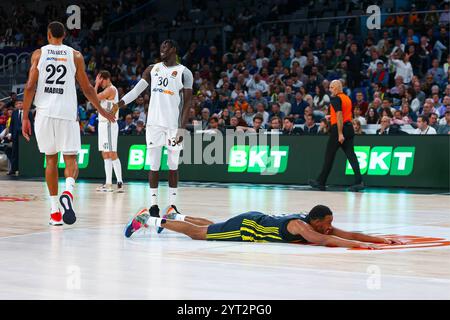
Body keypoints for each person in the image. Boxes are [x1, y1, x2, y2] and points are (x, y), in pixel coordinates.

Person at [21, 21, 115, 226]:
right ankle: (68, 193)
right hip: (66, 113)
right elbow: (88, 89)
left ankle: (55, 212)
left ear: (48, 35)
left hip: (44, 114)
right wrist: (102, 111)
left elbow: (29, 87)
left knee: (51, 160)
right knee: (71, 161)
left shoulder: (38, 54)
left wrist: (25, 116)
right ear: (64, 36)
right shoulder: (75, 55)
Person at [113, 39, 193, 220]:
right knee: (154, 166)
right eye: (161, 46)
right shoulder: (152, 69)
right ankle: (154, 205)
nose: (162, 49)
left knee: (173, 167)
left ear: (173, 49)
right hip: (154, 125)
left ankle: (172, 206)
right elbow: (135, 92)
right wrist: (118, 105)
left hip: (173, 126)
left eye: (165, 47)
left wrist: (181, 129)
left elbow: (188, 103)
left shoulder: (184, 72)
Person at [124, 204, 404, 249]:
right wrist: (360, 247)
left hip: (253, 219)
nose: (330, 228)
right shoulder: (300, 226)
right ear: (316, 221)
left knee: (215, 225)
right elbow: (322, 241)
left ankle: (177, 214)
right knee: (201, 235)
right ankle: (148, 219)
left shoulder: (317, 223)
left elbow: (347, 233)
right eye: (327, 224)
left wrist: (377, 240)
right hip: (248, 228)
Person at [309, 80, 363, 192]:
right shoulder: (347, 98)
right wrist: (331, 116)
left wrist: (339, 133)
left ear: (337, 88)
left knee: (329, 156)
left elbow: (339, 115)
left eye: (332, 87)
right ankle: (359, 182)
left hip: (339, 129)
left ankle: (321, 182)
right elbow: (345, 114)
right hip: (349, 128)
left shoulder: (335, 99)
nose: (330, 89)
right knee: (351, 156)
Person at [94, 70, 124, 193]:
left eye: (101, 81)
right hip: (102, 124)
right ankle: (108, 183)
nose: (100, 84)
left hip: (109, 124)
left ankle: (120, 183)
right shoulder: (107, 90)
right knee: (105, 154)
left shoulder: (111, 89)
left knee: (112, 153)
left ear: (105, 79)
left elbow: (94, 97)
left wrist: (95, 85)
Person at [8, 99, 34, 175]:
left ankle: (24, 169)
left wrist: (31, 135)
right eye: (17, 104)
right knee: (14, 153)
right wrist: (10, 133)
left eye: (21, 103)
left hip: (25, 136)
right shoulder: (14, 113)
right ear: (16, 105)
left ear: (24, 104)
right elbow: (12, 124)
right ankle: (13, 170)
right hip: (16, 135)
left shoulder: (29, 113)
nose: (19, 105)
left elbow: (31, 124)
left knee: (25, 153)